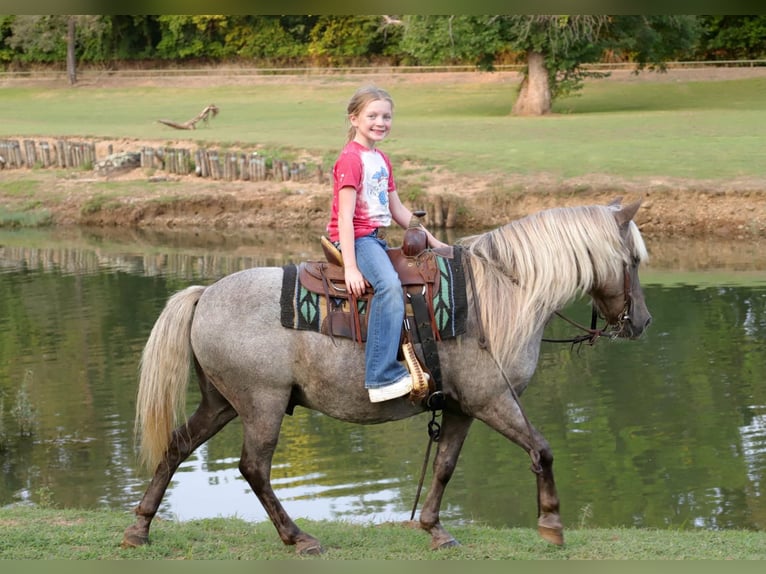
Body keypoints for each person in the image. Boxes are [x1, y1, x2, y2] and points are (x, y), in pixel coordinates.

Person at [326, 86, 447, 403]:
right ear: (354, 119)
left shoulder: (381, 159)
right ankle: (380, 376)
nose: (380, 122)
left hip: (376, 238)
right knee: (389, 286)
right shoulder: (351, 160)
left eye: (386, 116)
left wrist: (434, 242)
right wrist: (351, 266)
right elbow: (345, 218)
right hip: (357, 237)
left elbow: (397, 210)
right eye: (372, 116)